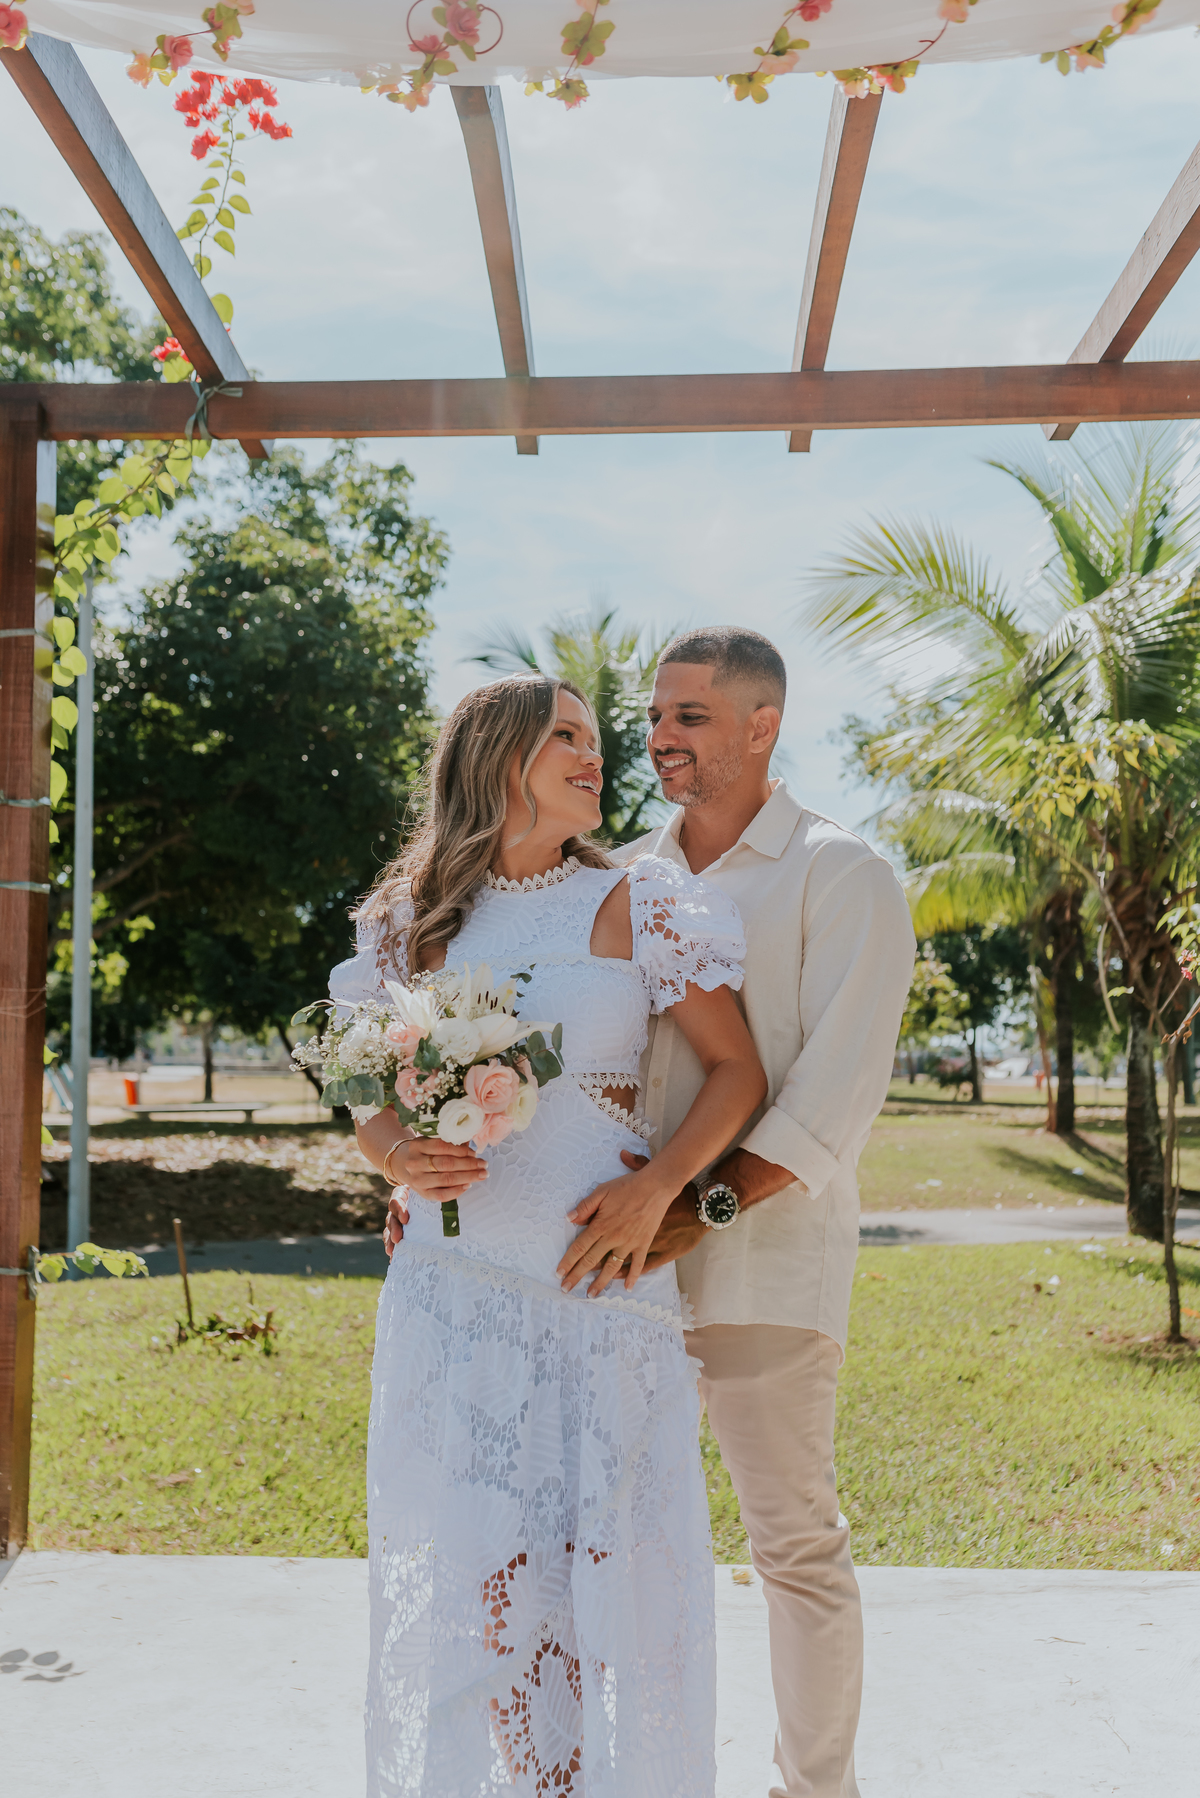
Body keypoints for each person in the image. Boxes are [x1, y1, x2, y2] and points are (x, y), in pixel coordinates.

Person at [389, 625, 916, 1798]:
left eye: (689, 716)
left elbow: (828, 1104)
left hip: (747, 1255)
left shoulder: (844, 874)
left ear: (761, 725)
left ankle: (811, 1789)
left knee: (790, 1545)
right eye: (654, 717)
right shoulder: (616, 868)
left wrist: (680, 1208)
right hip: (589, 1274)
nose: (655, 737)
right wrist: (419, 1175)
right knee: (564, 1557)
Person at [333, 672, 766, 1797]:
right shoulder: (408, 919)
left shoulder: (640, 898)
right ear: (498, 756)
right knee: (494, 1583)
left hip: (600, 1290)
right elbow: (354, 1076)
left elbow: (738, 1072)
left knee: (615, 1583)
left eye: (594, 737)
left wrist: (660, 1189)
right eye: (565, 735)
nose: (594, 755)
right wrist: (394, 1155)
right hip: (454, 1287)